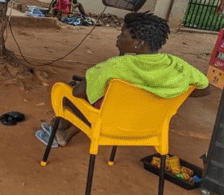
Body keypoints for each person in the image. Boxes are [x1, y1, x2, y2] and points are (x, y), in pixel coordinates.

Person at [36, 11, 209, 147]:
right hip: (147, 122)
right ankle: (62, 130)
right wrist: (171, 92)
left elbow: (81, 93)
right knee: (109, 98)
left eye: (122, 34)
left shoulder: (116, 66)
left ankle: (59, 127)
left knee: (70, 92)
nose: (118, 38)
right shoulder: (177, 65)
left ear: (139, 43)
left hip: (113, 122)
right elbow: (205, 89)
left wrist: (83, 84)